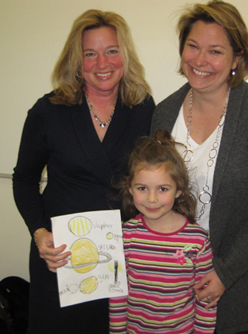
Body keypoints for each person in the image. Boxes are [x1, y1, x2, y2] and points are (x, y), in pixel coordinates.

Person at [151, 1, 248, 333]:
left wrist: (225, 273)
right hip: (172, 278)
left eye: (215, 51)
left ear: (236, 59)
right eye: (192, 46)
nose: (200, 61)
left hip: (235, 278)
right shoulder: (163, 114)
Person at [13, 9, 155, 334]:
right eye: (90, 54)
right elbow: (24, 179)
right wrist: (39, 233)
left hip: (119, 256)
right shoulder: (48, 110)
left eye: (111, 51)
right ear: (77, 61)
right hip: (59, 256)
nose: (102, 64)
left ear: (125, 55)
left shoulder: (143, 107)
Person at [109, 129, 217, 334]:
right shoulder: (125, 235)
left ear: (179, 190)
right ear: (130, 189)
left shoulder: (198, 240)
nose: (151, 199)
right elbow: (117, 292)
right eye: (142, 188)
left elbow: (205, 297)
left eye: (163, 189)